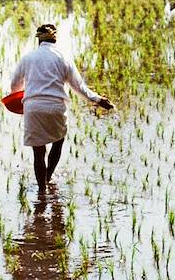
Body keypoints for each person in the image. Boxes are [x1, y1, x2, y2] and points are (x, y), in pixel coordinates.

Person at [9, 24, 113, 191]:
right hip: (56, 107)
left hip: (33, 107)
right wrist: (98, 99)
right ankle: (49, 177)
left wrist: (21, 98)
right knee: (58, 141)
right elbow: (79, 87)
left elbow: (15, 85)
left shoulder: (28, 58)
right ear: (55, 39)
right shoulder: (64, 57)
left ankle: (42, 190)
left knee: (38, 152)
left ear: (38, 40)